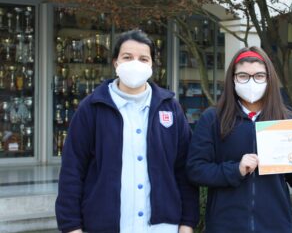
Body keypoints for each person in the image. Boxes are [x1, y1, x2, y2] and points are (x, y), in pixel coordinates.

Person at [56, 30, 199, 233]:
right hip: (106, 226)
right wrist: (71, 226)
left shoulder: (170, 108)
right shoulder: (92, 107)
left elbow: (183, 169)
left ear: (151, 65)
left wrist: (187, 222)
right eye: (127, 57)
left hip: (162, 226)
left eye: (143, 59)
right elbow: (72, 169)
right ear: (115, 63)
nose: (135, 63)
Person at [186, 46, 292, 233]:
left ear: (269, 79)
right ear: (232, 79)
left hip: (275, 225)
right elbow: (195, 169)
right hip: (225, 225)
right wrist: (236, 170)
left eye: (259, 76)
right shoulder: (213, 118)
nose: (251, 82)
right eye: (243, 76)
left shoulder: (286, 121)